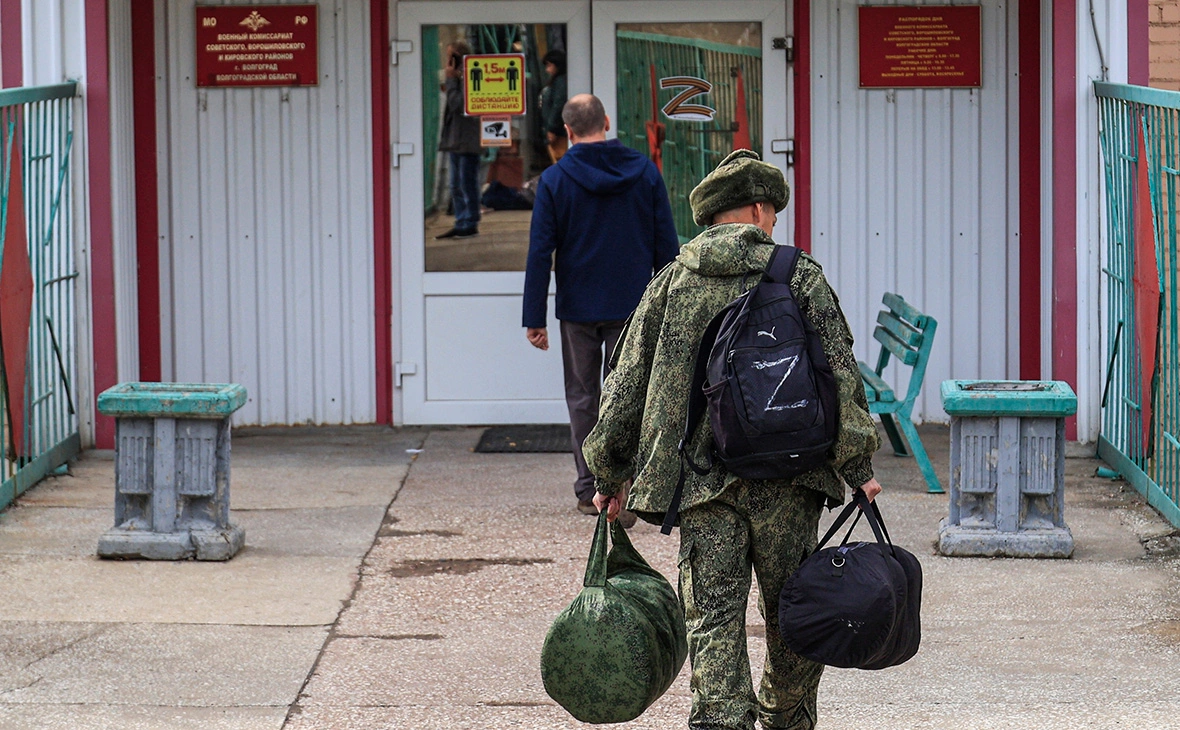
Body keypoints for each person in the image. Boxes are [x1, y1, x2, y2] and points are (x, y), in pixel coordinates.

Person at [583, 149, 884, 730]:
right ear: (756, 209)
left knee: (714, 617)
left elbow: (624, 386)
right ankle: (783, 715)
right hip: (789, 480)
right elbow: (841, 376)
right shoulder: (799, 275)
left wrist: (609, 474)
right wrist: (858, 465)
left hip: (700, 485)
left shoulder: (671, 283)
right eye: (771, 211)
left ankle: (722, 719)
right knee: (794, 612)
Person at [522, 93, 680, 524]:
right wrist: (669, 304)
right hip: (632, 306)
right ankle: (624, 487)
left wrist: (533, 317)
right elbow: (666, 244)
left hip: (578, 307)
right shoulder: (643, 171)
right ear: (607, 122)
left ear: (569, 132)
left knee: (582, 397)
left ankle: (590, 487)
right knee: (631, 397)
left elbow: (540, 253)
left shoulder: (555, 180)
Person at [437, 41, 481, 239]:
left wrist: (452, 81)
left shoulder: (471, 77)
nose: (447, 62)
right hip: (456, 138)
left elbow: (459, 104)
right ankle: (461, 220)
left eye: (450, 57)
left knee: (466, 182)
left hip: (467, 138)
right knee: (455, 184)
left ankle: (469, 221)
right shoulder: (458, 79)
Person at [539, 49, 568, 163]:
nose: (548, 70)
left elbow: (558, 105)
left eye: (550, 65)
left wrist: (552, 128)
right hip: (557, 131)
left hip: (559, 133)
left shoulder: (560, 82)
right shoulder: (557, 81)